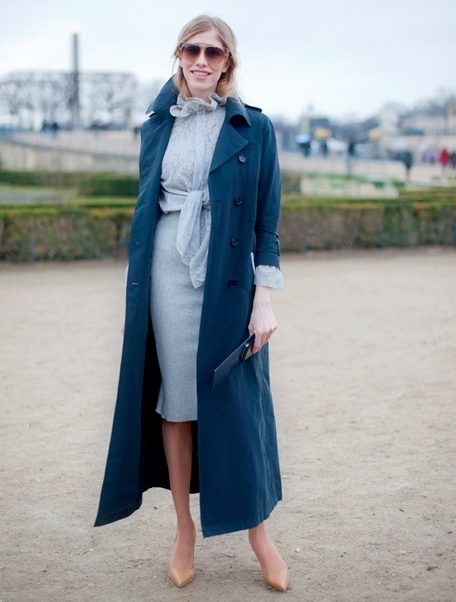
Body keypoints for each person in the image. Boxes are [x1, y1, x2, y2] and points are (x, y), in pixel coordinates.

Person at [94, 14, 289, 593]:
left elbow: (267, 225)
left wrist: (264, 300)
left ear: (228, 62)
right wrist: (134, 300)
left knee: (237, 406)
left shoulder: (255, 127)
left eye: (213, 52)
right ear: (178, 56)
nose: (202, 60)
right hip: (166, 274)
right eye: (191, 49)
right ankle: (184, 531)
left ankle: (258, 535)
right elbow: (144, 213)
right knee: (177, 404)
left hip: (228, 277)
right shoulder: (156, 125)